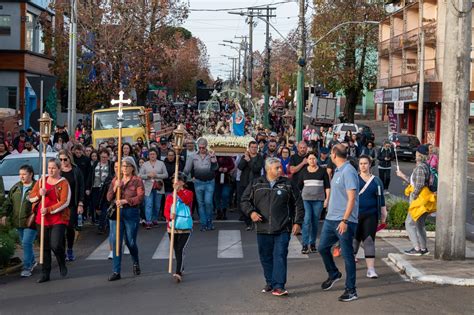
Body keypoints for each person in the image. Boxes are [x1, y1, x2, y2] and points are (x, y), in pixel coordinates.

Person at [241, 157, 304, 296]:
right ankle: (270, 282)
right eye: (277, 168)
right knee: (266, 257)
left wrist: (298, 222)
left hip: (282, 228)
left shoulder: (288, 184)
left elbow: (298, 203)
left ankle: (279, 286)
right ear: (269, 169)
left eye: (280, 167)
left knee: (280, 255)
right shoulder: (256, 183)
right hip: (262, 228)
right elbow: (244, 200)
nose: (280, 170)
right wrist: (251, 213)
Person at [318, 144, 359, 302]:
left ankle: (351, 290)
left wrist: (345, 220)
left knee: (347, 255)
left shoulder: (348, 171)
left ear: (334, 155)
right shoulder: (338, 170)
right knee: (322, 248)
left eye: (330, 153)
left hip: (343, 221)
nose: (329, 155)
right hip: (331, 219)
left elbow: (352, 198)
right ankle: (334, 273)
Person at [29, 158, 71, 283]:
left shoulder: (63, 183)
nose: (51, 170)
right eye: (49, 167)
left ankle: (61, 261)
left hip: (58, 218)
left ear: (59, 169)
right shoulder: (42, 181)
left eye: (53, 168)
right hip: (41, 219)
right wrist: (39, 194)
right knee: (44, 247)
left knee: (56, 244)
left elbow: (65, 202)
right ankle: (45, 273)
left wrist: (49, 209)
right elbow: (31, 197)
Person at [106, 156, 145, 281]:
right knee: (116, 242)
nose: (124, 168)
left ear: (132, 168)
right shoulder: (116, 180)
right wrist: (116, 187)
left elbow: (140, 198)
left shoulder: (137, 180)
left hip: (131, 213)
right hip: (117, 213)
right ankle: (116, 271)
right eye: (122, 166)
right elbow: (108, 197)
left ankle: (135, 261)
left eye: (127, 166)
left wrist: (125, 201)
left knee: (130, 242)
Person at [0, 165, 37, 277]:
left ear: (31, 174)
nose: (21, 176)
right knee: (24, 243)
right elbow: (9, 202)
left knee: (26, 243)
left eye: (24, 174)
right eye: (20, 174)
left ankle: (27, 267)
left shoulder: (36, 187)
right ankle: (33, 261)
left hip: (31, 221)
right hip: (18, 221)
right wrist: (4, 215)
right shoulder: (16, 187)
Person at [353, 155, 387, 279]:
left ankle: (371, 269)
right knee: (355, 240)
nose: (363, 166)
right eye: (361, 163)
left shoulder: (377, 180)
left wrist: (383, 214)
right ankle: (351, 265)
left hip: (371, 215)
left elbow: (381, 199)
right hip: (355, 215)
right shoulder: (354, 179)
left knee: (369, 240)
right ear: (358, 165)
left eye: (365, 163)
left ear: (370, 164)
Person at [396, 145, 431, 256]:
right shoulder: (426, 166)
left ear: (419, 155)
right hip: (424, 199)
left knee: (409, 223)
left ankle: (416, 248)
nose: (415, 155)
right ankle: (423, 248)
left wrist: (414, 196)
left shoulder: (420, 168)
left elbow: (419, 184)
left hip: (419, 200)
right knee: (420, 224)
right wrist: (402, 176)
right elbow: (415, 183)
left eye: (416, 153)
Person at [163, 173, 194, 283]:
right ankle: (181, 265)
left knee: (180, 248)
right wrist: (169, 216)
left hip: (185, 225)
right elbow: (166, 211)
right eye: (173, 182)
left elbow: (186, 200)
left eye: (178, 180)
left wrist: (179, 191)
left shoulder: (189, 193)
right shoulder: (170, 196)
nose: (175, 183)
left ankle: (178, 272)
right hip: (172, 226)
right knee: (176, 249)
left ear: (183, 182)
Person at [298, 153, 330, 254]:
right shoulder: (303, 171)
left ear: (317, 160)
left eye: (314, 158)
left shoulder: (322, 171)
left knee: (315, 222)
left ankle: (312, 244)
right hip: (306, 200)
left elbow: (327, 187)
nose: (312, 160)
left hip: (318, 200)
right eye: (310, 158)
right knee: (307, 220)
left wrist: (327, 200)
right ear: (307, 160)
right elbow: (298, 187)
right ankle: (304, 244)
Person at [184, 138, 218, 231]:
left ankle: (209, 222)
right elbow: (187, 170)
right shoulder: (192, 156)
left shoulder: (211, 154)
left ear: (206, 147)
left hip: (209, 182)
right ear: (198, 147)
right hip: (198, 182)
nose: (202, 149)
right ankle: (204, 224)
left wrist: (212, 158)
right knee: (201, 204)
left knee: (208, 202)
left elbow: (215, 168)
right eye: (200, 147)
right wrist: (181, 178)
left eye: (203, 147)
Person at [58, 150, 85, 261]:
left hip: (72, 204)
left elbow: (81, 187)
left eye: (65, 159)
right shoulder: (58, 172)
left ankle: (69, 249)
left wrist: (80, 203)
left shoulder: (76, 171)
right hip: (59, 205)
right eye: (60, 159)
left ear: (70, 158)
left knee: (69, 228)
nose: (63, 161)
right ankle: (62, 251)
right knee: (60, 229)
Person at [237, 141, 264, 230]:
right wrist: (245, 159)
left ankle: (254, 220)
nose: (254, 149)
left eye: (255, 147)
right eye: (252, 147)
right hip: (244, 182)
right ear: (249, 147)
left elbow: (257, 168)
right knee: (244, 201)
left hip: (255, 183)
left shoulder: (260, 157)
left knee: (254, 202)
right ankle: (247, 222)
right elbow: (240, 167)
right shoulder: (245, 156)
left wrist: (249, 160)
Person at [86, 149, 114, 233]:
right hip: (96, 187)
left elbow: (112, 175)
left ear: (108, 157)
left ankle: (102, 225)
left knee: (105, 206)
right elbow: (91, 176)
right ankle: (104, 221)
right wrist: (88, 187)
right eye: (102, 157)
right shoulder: (95, 164)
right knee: (96, 205)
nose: (103, 159)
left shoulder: (110, 164)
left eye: (105, 157)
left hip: (106, 188)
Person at [139, 148, 168, 229]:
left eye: (154, 154)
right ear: (148, 155)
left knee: (157, 205)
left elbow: (166, 174)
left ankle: (154, 219)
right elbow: (139, 175)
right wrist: (148, 176)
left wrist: (157, 175)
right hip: (148, 187)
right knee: (148, 204)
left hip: (158, 187)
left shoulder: (161, 163)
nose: (152, 155)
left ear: (156, 155)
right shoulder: (145, 164)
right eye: (151, 154)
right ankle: (148, 221)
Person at [215, 156, 234, 220]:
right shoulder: (215, 156)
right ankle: (218, 211)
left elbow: (232, 165)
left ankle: (224, 211)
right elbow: (211, 165)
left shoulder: (228, 156)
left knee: (225, 195)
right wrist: (218, 168)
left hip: (226, 178)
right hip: (216, 178)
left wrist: (227, 168)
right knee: (217, 195)